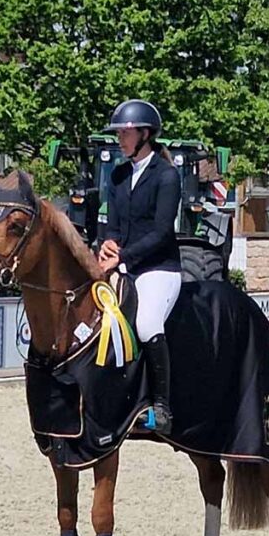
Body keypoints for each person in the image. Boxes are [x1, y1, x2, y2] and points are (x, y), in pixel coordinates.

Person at [98, 99, 181, 434]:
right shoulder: (118, 175)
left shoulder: (167, 176)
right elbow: (113, 225)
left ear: (145, 134)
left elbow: (162, 233)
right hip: (126, 264)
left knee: (146, 323)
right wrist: (107, 244)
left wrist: (124, 257)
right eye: (118, 132)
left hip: (159, 268)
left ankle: (162, 408)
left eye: (125, 132)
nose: (120, 138)